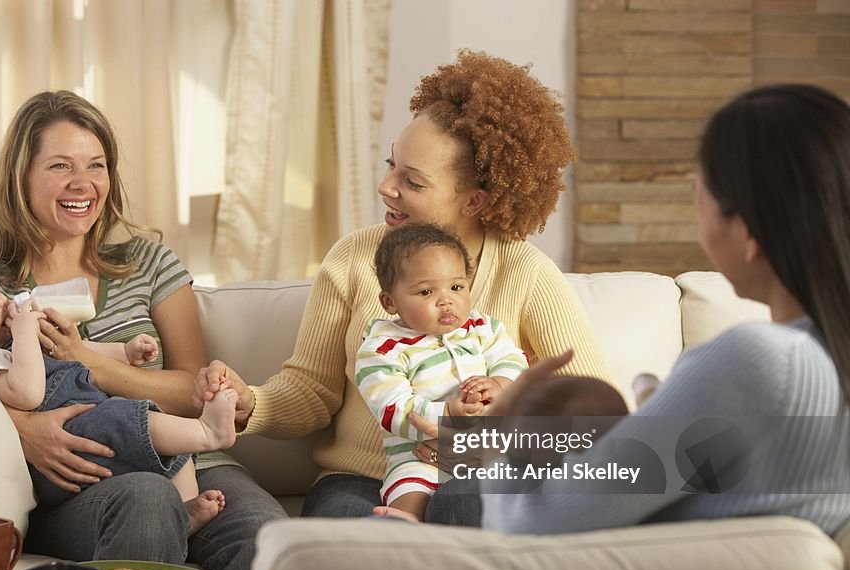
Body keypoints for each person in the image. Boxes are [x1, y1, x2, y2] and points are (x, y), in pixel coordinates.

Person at [195, 50, 615, 525]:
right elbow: (312, 390)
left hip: (474, 475)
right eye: (391, 165)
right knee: (357, 541)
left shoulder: (526, 271)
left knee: (471, 504)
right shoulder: (354, 257)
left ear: (474, 200)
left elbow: (598, 414)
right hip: (358, 481)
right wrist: (250, 402)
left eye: (412, 181)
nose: (385, 187)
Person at [431, 83, 850, 537]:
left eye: (698, 198)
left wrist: (505, 434)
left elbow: (529, 523)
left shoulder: (763, 360)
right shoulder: (822, 360)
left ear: (747, 233)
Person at [0, 90, 286, 570]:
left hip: (191, 463)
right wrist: (21, 427)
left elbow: (192, 390)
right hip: (78, 485)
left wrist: (83, 359)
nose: (83, 183)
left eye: (96, 165)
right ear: (21, 176)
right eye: (59, 166)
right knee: (145, 497)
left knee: (267, 540)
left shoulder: (148, 263)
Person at [0, 255, 234, 531]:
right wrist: (25, 333)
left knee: (161, 437)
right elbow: (26, 393)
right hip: (65, 438)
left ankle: (183, 514)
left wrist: (123, 352)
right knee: (131, 421)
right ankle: (207, 432)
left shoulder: (4, 338)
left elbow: (75, 350)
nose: (0, 304)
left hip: (88, 416)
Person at [355, 225, 528, 521]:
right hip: (419, 456)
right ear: (390, 302)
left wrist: (499, 384)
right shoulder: (381, 349)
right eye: (425, 291)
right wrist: (449, 413)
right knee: (408, 492)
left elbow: (514, 361)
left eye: (457, 287)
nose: (445, 301)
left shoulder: (483, 329)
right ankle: (406, 530)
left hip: (489, 450)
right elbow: (393, 408)